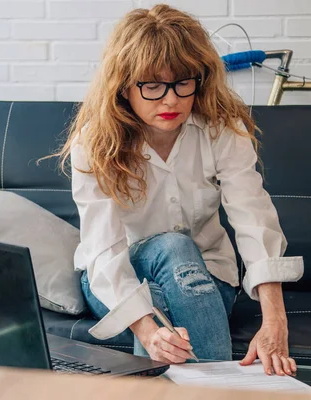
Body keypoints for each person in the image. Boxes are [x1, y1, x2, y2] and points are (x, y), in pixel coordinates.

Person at [54, 4, 304, 376]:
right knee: (173, 246)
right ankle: (223, 387)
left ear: (199, 79)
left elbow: (254, 218)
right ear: (123, 87)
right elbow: (104, 251)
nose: (171, 99)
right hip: (115, 281)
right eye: (152, 85)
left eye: (182, 82)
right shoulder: (94, 142)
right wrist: (146, 330)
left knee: (164, 289)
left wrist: (274, 322)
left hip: (207, 277)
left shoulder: (223, 130)